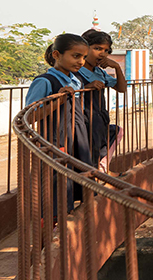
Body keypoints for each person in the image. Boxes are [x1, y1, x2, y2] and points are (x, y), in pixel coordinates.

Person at [26, 34, 92, 215]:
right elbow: (30, 116)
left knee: (77, 181)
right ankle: (49, 231)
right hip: (55, 139)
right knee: (56, 184)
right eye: (76, 56)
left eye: (84, 57)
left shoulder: (75, 80)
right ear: (56, 55)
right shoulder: (45, 81)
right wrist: (59, 100)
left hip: (76, 138)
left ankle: (67, 224)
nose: (81, 61)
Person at [78, 29, 126, 173]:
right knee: (88, 155)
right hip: (84, 121)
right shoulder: (77, 72)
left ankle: (102, 171)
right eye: (97, 48)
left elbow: (121, 88)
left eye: (106, 50)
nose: (102, 54)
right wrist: (87, 87)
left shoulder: (99, 72)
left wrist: (117, 67)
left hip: (100, 120)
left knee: (109, 139)